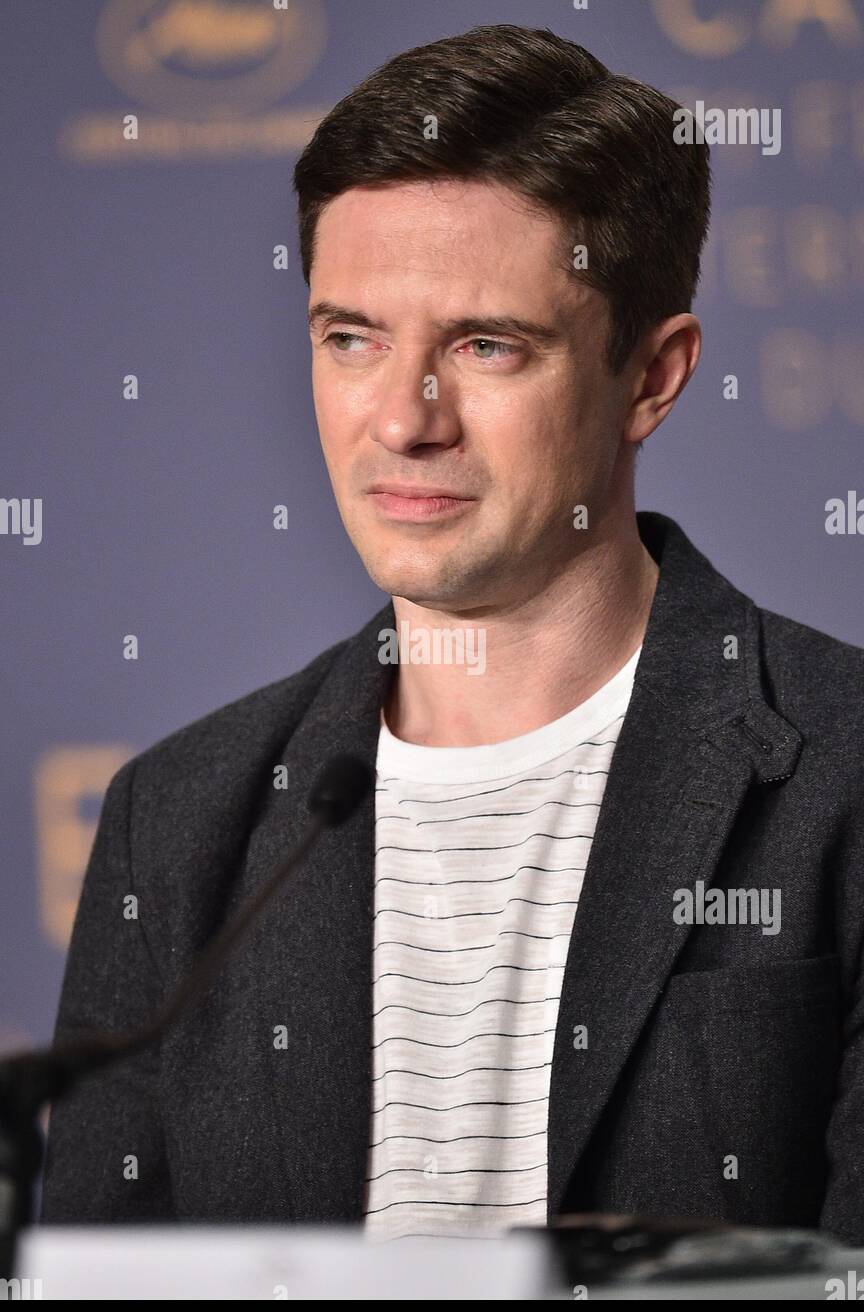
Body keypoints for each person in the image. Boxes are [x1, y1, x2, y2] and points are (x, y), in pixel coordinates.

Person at [41, 24, 863, 1244]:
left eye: (485, 346)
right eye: (351, 338)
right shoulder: (179, 819)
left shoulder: (841, 769)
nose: (404, 420)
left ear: (653, 376)